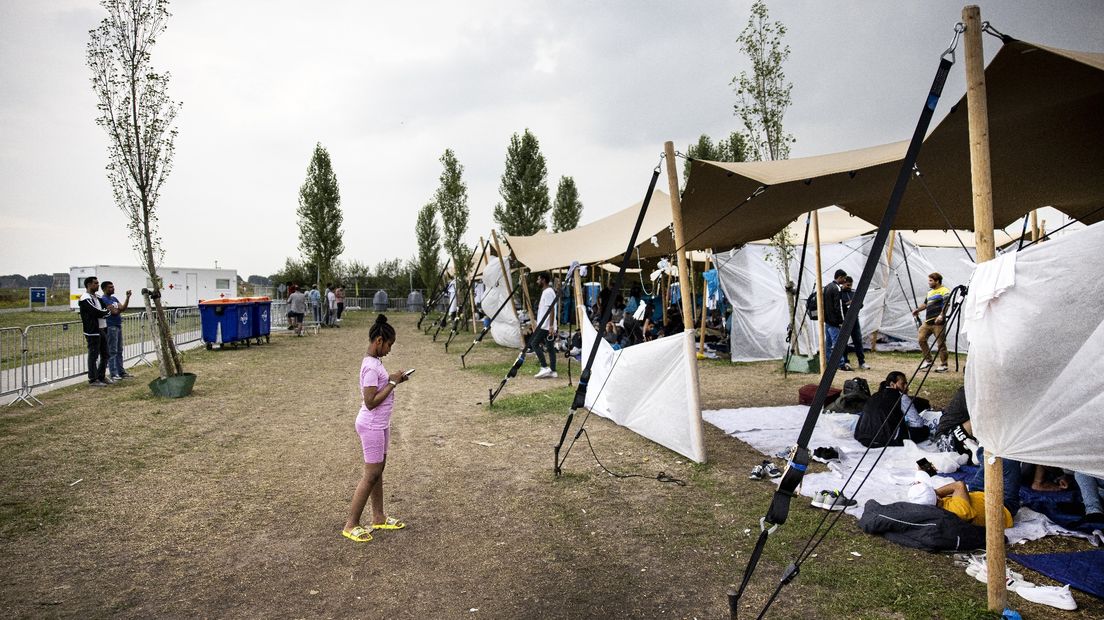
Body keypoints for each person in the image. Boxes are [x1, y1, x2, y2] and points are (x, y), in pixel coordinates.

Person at [343, 314, 410, 543]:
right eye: (389, 345)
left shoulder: (377, 363)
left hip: (380, 424)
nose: (390, 350)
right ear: (379, 341)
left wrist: (394, 380)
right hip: (371, 424)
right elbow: (370, 402)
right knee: (371, 474)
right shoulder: (370, 367)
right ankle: (351, 524)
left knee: (378, 471)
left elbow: (381, 389)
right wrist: (392, 383)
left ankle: (378, 516)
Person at [912, 272, 950, 372]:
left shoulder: (944, 291)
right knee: (921, 339)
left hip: (938, 323)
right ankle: (928, 361)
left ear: (937, 281)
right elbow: (925, 304)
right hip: (928, 322)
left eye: (930, 281)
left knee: (941, 344)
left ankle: (944, 365)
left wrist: (941, 315)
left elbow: (946, 305)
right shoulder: (930, 292)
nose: (928, 282)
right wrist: (917, 310)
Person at [78, 276, 112, 387]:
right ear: (89, 285)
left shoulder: (97, 297)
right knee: (93, 355)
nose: (98, 285)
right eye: (95, 283)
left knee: (106, 354)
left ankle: (101, 376)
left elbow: (106, 309)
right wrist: (106, 312)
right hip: (92, 331)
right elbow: (96, 312)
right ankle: (93, 379)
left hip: (102, 329)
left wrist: (106, 312)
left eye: (98, 283)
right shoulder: (85, 298)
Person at [100, 281, 133, 380]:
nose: (113, 289)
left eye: (113, 287)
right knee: (112, 351)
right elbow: (114, 312)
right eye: (110, 287)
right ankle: (113, 373)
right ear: (104, 289)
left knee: (119, 350)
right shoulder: (104, 299)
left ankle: (121, 372)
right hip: (111, 326)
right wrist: (117, 310)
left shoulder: (113, 299)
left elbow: (122, 308)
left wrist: (127, 298)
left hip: (118, 325)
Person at [840, 276, 870, 370]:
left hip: (854, 319)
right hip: (844, 319)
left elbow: (861, 304)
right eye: (847, 284)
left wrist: (856, 303)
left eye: (850, 284)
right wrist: (847, 304)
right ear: (843, 284)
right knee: (843, 342)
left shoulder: (853, 293)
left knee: (858, 340)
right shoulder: (839, 293)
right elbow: (839, 306)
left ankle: (862, 362)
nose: (849, 286)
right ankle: (845, 361)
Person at [532, 272, 559, 379]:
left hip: (546, 325)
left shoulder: (548, 292)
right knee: (550, 347)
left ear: (543, 280)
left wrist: (551, 326)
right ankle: (553, 371)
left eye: (538, 279)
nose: (537, 281)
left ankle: (544, 367)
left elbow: (551, 309)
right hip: (546, 325)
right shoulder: (548, 291)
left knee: (534, 343)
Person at [822, 269, 850, 371]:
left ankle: (829, 362)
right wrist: (842, 321)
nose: (845, 280)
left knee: (828, 344)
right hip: (834, 321)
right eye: (844, 278)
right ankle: (840, 364)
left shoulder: (827, 287)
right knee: (837, 343)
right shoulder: (837, 288)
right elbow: (839, 307)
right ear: (840, 277)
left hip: (828, 320)